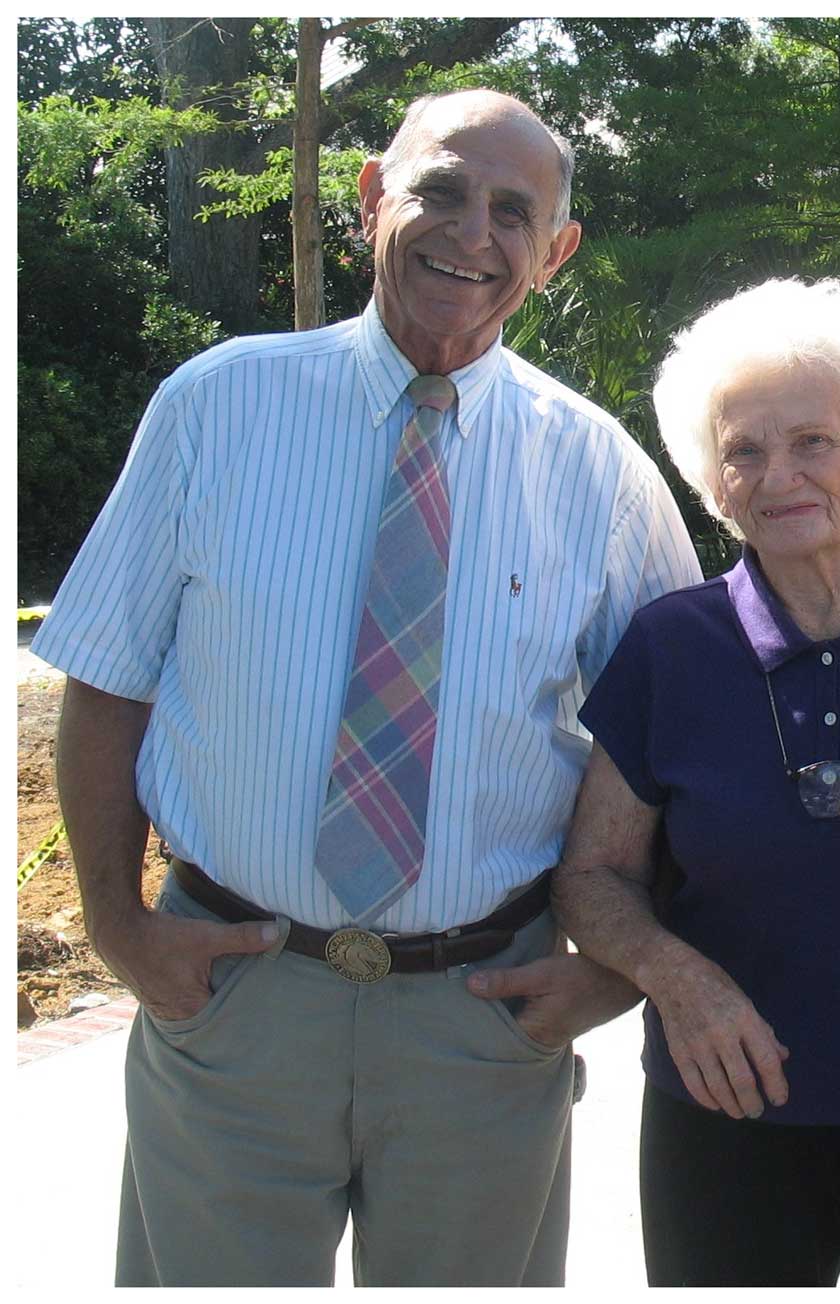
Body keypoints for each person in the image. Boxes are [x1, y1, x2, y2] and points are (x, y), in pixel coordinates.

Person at [34, 88, 702, 1286]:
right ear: (368, 200)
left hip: (481, 1020)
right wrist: (117, 924)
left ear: (556, 255)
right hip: (233, 997)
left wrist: (612, 969)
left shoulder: (602, 473)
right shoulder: (214, 407)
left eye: (514, 211)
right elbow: (108, 681)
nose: (471, 233)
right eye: (440, 190)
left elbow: (667, 757)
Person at [499, 277, 840, 1286]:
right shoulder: (671, 645)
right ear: (711, 478)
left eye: (813, 442)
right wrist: (676, 978)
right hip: (728, 1116)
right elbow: (594, 874)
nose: (776, 474)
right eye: (743, 449)